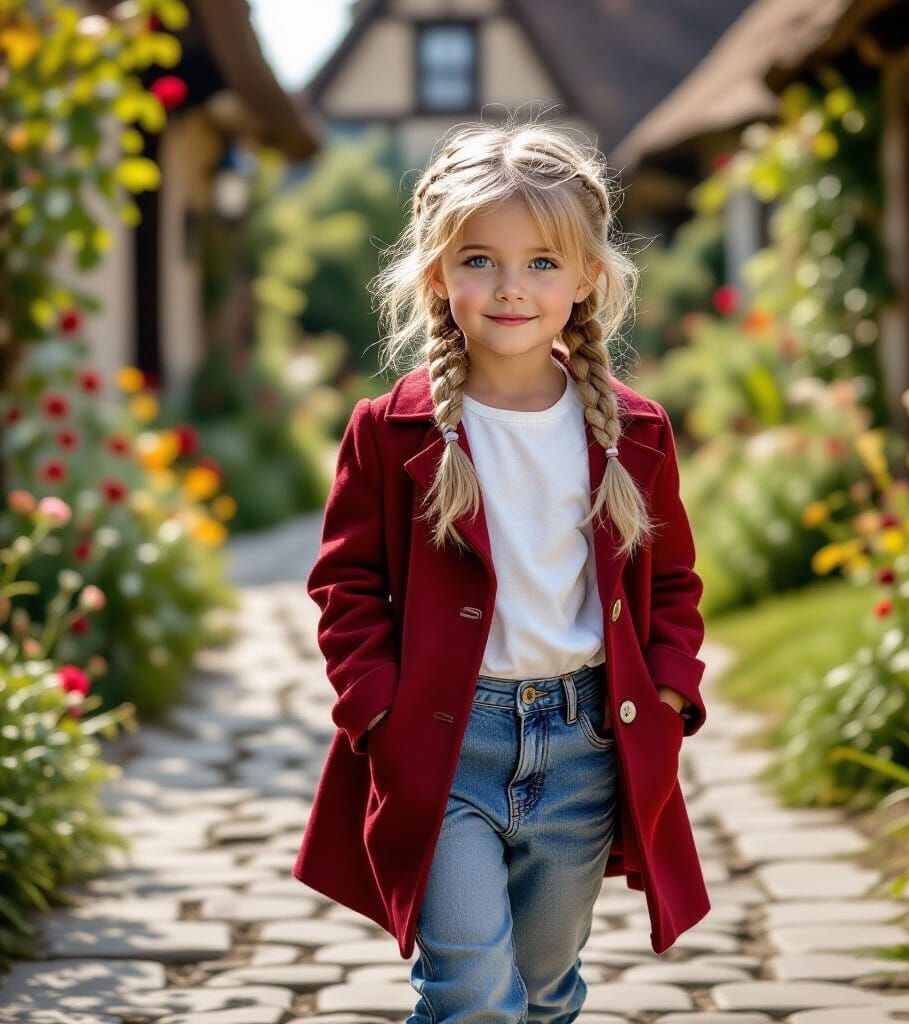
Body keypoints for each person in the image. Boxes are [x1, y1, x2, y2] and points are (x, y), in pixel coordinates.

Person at [295, 112, 710, 1024]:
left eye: (542, 263)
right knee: (473, 995)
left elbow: (672, 584)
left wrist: (672, 694)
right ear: (437, 273)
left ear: (589, 280)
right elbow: (346, 584)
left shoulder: (634, 431)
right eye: (480, 259)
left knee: (547, 991)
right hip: (446, 749)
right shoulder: (393, 428)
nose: (510, 287)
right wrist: (378, 709)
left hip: (584, 748)